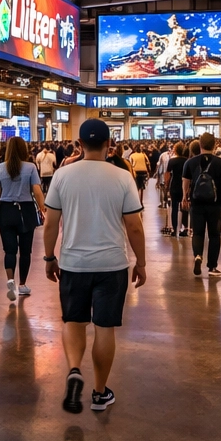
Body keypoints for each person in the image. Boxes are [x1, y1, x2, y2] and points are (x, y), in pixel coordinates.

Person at [43, 119, 146, 414]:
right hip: (111, 265)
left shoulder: (62, 175)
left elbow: (50, 223)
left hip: (73, 263)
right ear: (109, 145)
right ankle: (100, 393)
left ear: (79, 144)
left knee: (73, 322)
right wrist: (141, 262)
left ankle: (75, 368)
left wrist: (49, 258)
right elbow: (134, 226)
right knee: (104, 328)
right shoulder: (122, 177)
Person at [0, 136, 46, 300]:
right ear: (24, 149)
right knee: (25, 251)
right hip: (26, 211)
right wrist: (42, 209)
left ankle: (10, 280)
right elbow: (36, 190)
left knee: (9, 250)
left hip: (5, 210)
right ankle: (22, 284)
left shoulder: (0, 168)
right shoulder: (30, 167)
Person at [181, 133, 221, 277]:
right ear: (214, 144)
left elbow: (185, 182)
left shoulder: (190, 162)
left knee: (197, 233)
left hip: (196, 203)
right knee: (214, 235)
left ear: (200, 144)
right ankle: (212, 267)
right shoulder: (220, 162)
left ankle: (198, 255)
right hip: (216, 204)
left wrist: (185, 197)